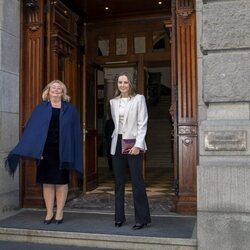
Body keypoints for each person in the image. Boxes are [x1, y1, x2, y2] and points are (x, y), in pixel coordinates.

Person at [5, 80, 83, 225]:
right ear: (48, 91)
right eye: (53, 88)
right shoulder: (41, 108)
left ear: (62, 92)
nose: (56, 90)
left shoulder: (70, 109)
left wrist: (71, 151)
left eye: (59, 88)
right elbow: (32, 130)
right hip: (45, 150)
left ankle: (59, 212)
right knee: (47, 182)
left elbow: (74, 133)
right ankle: (49, 212)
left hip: (62, 151)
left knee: (61, 182)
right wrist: (36, 149)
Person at [109, 72, 151, 230]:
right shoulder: (113, 102)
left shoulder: (139, 99)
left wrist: (138, 145)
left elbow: (143, 123)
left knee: (137, 182)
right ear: (117, 84)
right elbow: (116, 125)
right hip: (118, 143)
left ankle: (142, 219)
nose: (122, 85)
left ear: (130, 84)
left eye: (125, 82)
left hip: (132, 142)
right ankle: (119, 217)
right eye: (120, 82)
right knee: (119, 183)